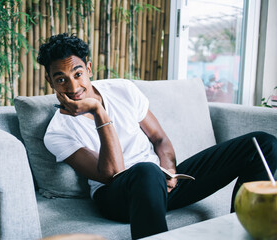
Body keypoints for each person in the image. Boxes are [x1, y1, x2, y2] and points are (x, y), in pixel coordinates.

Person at [38, 33, 277, 239]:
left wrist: (170, 172)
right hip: (118, 198)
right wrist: (99, 111)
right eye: (61, 79)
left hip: (162, 183)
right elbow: (111, 174)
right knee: (145, 170)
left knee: (262, 144)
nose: (72, 86)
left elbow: (160, 139)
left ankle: (244, 229)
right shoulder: (58, 131)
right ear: (50, 81)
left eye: (77, 74)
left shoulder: (122, 89)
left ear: (88, 69)